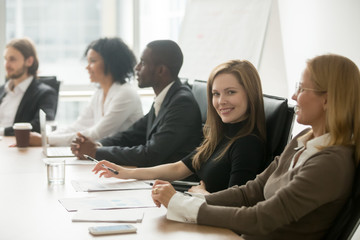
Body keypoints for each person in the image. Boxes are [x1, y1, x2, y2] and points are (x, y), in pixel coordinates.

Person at [149, 54, 360, 240]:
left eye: (302, 88)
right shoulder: (304, 139)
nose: (294, 96)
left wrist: (183, 205)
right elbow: (252, 191)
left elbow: (262, 218)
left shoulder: (330, 163)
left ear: (327, 99)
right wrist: (187, 198)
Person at [92, 60, 267, 194]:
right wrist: (125, 173)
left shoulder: (247, 144)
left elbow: (236, 205)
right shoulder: (220, 136)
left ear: (250, 94)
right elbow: (178, 168)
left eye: (231, 92)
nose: (221, 101)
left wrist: (201, 195)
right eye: (216, 94)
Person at [71, 40, 203, 168]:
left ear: (161, 70)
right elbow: (131, 135)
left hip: (170, 184)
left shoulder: (181, 103)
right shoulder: (166, 97)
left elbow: (150, 154)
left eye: (143, 63)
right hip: (154, 178)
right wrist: (96, 146)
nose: (137, 67)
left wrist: (95, 152)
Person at [28, 37, 143, 146]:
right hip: (108, 156)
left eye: (92, 61)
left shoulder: (126, 94)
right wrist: (44, 138)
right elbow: (78, 126)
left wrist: (46, 140)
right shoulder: (100, 93)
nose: (87, 67)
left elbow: (96, 134)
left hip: (126, 162)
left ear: (111, 63)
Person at [0, 38, 57, 136]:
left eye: (12, 59)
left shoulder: (45, 94)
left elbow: (40, 126)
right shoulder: (2, 90)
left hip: (16, 147)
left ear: (29, 61)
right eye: (6, 59)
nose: (7, 65)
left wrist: (2, 132)